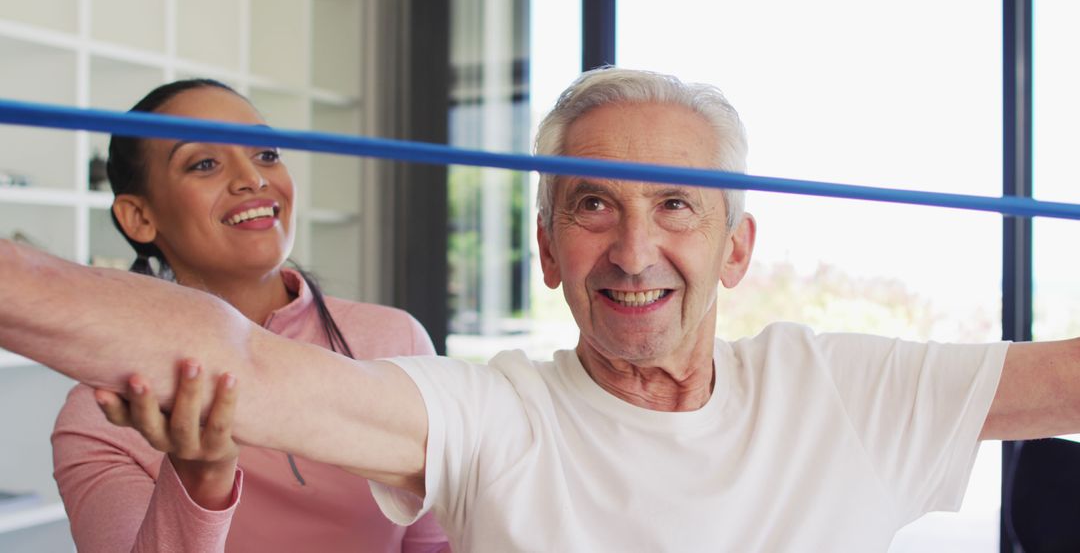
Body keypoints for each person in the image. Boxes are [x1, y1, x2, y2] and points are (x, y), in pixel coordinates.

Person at [2, 67, 1079, 551]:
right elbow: (236, 357)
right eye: (594, 205)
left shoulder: (848, 389)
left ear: (739, 247)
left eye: (677, 205)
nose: (636, 246)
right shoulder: (493, 412)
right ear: (548, 249)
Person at [46, 79, 450, 552]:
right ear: (139, 217)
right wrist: (198, 482)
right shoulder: (102, 415)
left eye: (266, 154)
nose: (253, 179)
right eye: (204, 164)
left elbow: (434, 546)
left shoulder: (395, 340)